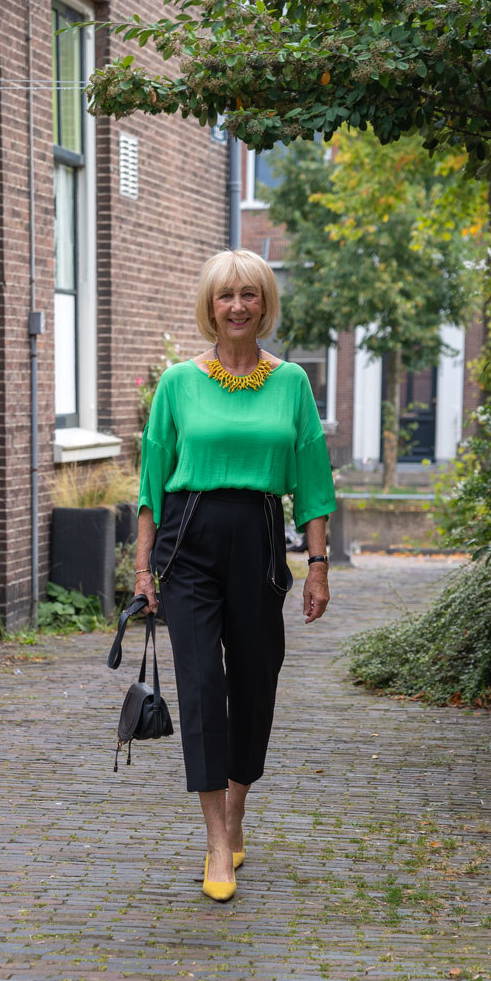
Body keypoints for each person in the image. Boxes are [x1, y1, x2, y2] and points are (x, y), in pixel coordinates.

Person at [134, 249, 336, 901]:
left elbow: (312, 482)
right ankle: (216, 839)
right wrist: (143, 568)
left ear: (265, 303)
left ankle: (237, 804)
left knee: (254, 681)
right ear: (210, 306)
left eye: (250, 294)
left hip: (258, 537)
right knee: (200, 685)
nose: (238, 306)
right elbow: (151, 484)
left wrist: (317, 566)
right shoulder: (177, 383)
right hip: (186, 540)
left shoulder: (291, 383)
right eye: (226, 295)